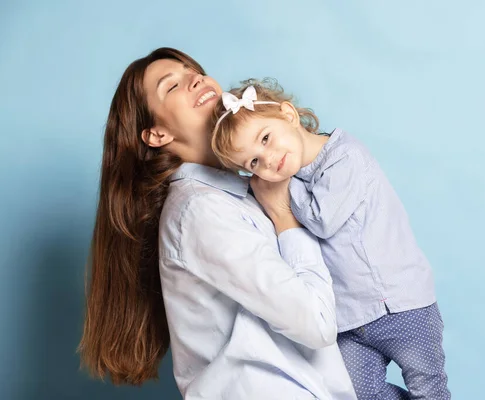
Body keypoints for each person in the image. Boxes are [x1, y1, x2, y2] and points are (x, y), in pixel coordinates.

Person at [78, 48, 357, 400]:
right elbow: (316, 324)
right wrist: (286, 219)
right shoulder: (200, 212)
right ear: (157, 135)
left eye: (192, 70)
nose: (194, 78)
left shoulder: (242, 191)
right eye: (172, 86)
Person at [211, 79, 451, 399]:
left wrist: (278, 192)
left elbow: (322, 220)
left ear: (288, 115)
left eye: (266, 138)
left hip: (401, 304)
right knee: (355, 393)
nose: (269, 161)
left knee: (429, 389)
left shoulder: (344, 156)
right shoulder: (292, 175)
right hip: (349, 321)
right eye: (254, 163)